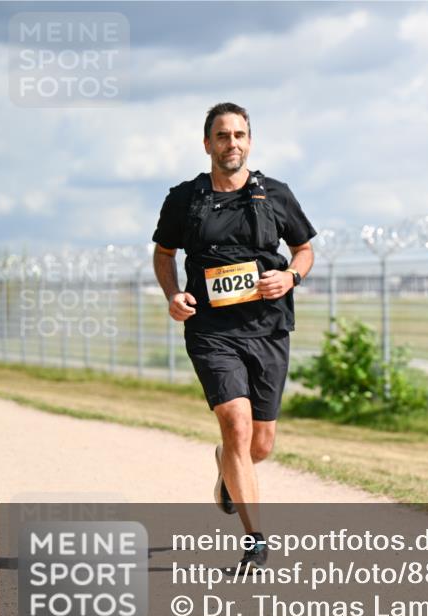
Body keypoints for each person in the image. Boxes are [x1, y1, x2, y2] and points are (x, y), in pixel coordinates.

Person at [151, 102, 315, 571]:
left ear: (250, 141)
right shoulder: (184, 199)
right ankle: (256, 542)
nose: (232, 144)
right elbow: (164, 255)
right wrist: (174, 294)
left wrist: (290, 279)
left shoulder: (275, 195)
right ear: (207, 144)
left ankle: (228, 467)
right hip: (211, 330)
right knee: (237, 424)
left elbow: (303, 250)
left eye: (240, 135)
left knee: (259, 444)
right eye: (222, 136)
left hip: (268, 327)